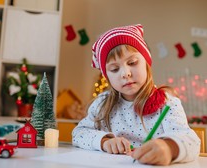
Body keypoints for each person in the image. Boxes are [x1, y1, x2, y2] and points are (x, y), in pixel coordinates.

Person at [72, 24, 200, 166]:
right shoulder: (102, 104)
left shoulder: (168, 104)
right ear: (107, 76)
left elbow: (192, 141)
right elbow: (79, 133)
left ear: (146, 63)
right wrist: (104, 141)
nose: (125, 73)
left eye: (132, 62)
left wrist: (169, 148)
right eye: (114, 69)